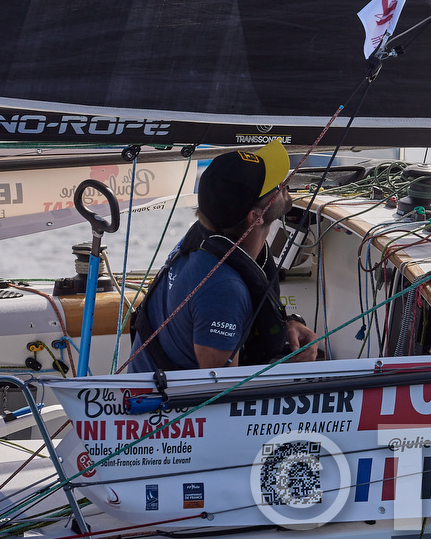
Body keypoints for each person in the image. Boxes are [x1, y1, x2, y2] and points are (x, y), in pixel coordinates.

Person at [128, 142, 317, 371]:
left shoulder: (207, 240)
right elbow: (219, 389)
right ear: (255, 217)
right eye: (274, 186)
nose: (284, 183)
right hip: (169, 403)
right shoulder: (222, 287)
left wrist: (286, 325)